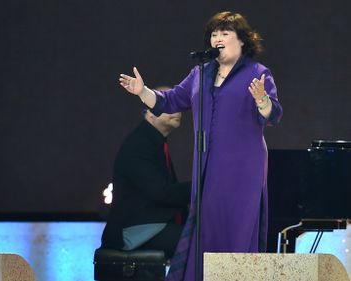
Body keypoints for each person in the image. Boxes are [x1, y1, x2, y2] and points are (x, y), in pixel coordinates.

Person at [118, 11, 283, 281]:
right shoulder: (201, 73)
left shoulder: (257, 73)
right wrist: (142, 91)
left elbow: (274, 115)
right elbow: (169, 101)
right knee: (205, 232)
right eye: (214, 34)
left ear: (242, 40)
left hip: (243, 168)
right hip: (208, 168)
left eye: (225, 33)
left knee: (236, 230)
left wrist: (262, 99)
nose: (217, 38)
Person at [101, 109, 191, 259]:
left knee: (202, 235)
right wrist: (201, 188)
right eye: (169, 105)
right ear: (149, 113)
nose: (177, 111)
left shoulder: (152, 141)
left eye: (179, 106)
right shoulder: (139, 144)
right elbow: (161, 192)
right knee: (200, 242)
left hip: (151, 225)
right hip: (133, 231)